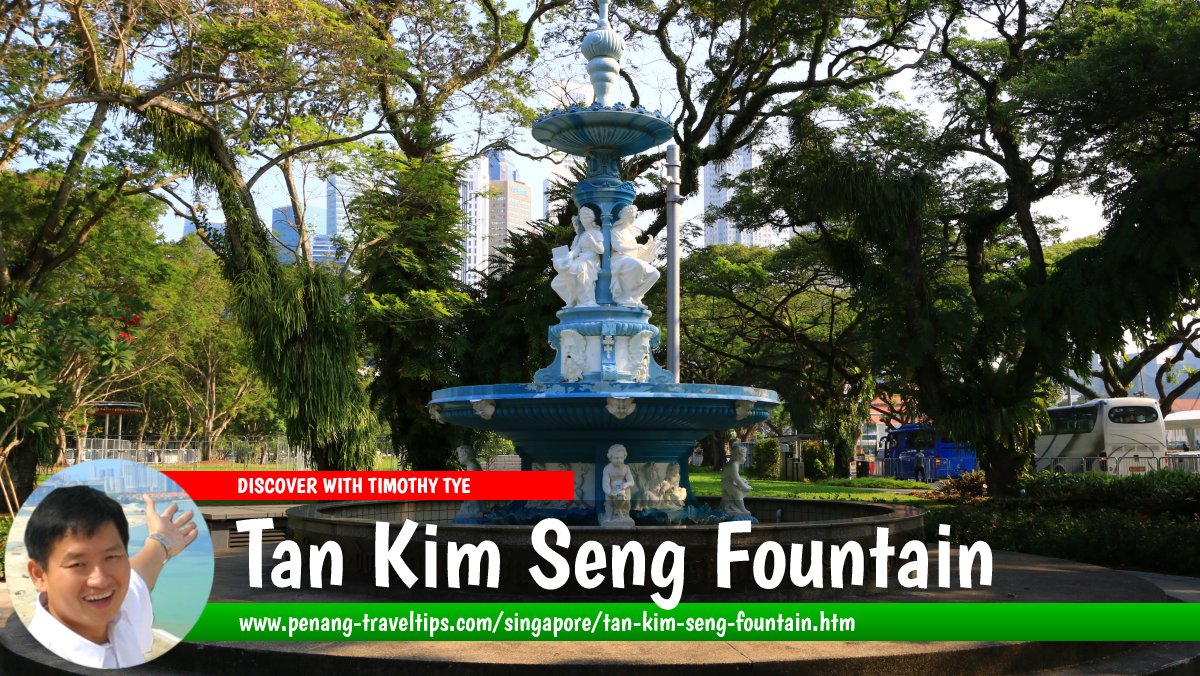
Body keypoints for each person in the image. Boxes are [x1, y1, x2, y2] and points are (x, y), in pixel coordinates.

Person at [24, 485, 198, 668]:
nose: (100, 580)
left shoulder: (119, 611)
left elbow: (139, 576)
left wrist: (162, 541)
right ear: (39, 575)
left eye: (111, 557)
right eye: (78, 564)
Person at [550, 209, 604, 308]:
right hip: (582, 258)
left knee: (576, 269)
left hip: (591, 261)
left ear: (591, 219)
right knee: (557, 280)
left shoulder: (596, 233)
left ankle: (585, 301)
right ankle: (572, 298)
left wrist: (593, 242)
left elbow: (601, 250)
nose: (584, 220)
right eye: (582, 218)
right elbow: (575, 251)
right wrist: (565, 258)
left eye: (586, 217)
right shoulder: (582, 235)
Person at [608, 205, 660, 306]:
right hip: (618, 258)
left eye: (634, 216)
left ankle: (634, 296)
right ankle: (625, 296)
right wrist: (638, 246)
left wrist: (648, 248)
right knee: (638, 265)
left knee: (655, 274)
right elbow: (618, 247)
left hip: (630, 258)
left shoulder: (630, 232)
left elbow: (635, 251)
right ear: (624, 217)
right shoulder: (615, 230)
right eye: (631, 216)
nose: (633, 219)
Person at [601, 444, 635, 524]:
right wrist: (610, 492)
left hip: (624, 489)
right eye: (616, 458)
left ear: (624, 457)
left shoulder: (626, 468)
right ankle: (609, 516)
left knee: (626, 501)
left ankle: (624, 514)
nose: (619, 460)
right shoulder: (607, 468)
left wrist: (626, 485)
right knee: (609, 502)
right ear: (610, 458)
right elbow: (605, 483)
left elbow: (631, 482)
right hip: (612, 490)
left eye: (621, 457)